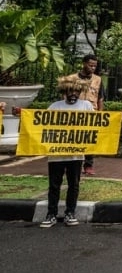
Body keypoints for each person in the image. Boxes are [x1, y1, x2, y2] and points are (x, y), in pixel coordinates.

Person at [37, 76, 95, 227]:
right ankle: (51, 214)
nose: (73, 94)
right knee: (54, 185)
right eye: (70, 91)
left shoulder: (86, 106)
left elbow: (98, 124)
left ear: (80, 91)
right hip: (56, 155)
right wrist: (21, 114)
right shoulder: (55, 106)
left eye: (76, 91)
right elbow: (40, 123)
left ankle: (70, 212)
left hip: (76, 154)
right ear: (64, 91)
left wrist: (118, 119)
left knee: (73, 184)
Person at [64, 54, 105, 175]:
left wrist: (100, 114)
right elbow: (65, 96)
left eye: (94, 66)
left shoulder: (98, 79)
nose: (92, 68)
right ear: (84, 63)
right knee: (73, 139)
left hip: (91, 113)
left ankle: (88, 165)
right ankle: (70, 164)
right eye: (90, 65)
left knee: (89, 140)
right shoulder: (72, 78)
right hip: (75, 112)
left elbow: (100, 98)